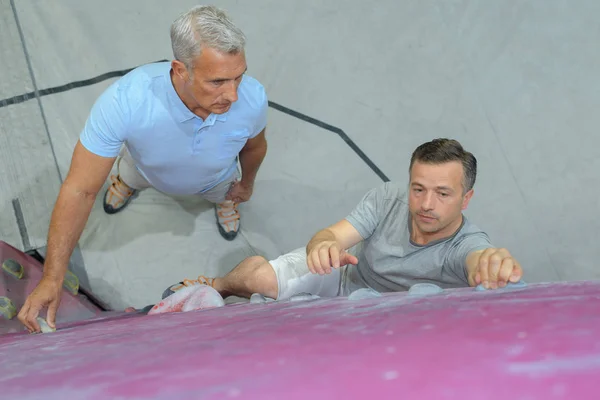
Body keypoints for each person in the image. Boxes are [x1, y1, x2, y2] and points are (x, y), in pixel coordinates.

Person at [18, 5, 268, 333]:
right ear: (180, 70)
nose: (233, 94)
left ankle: (224, 201)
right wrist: (52, 277)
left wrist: (245, 185)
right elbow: (80, 189)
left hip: (216, 179)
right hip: (145, 172)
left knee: (226, 193)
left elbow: (254, 147)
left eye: (239, 76)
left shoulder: (252, 98)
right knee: (130, 174)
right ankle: (126, 183)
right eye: (218, 81)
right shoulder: (125, 102)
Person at [163, 138, 524, 301]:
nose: (426, 204)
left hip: (397, 319)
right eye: (418, 188)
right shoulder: (388, 197)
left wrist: (491, 263)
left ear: (466, 198)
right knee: (257, 278)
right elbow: (332, 235)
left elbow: (481, 258)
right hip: (346, 281)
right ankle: (219, 284)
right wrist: (323, 246)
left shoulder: (468, 244)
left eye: (442, 194)